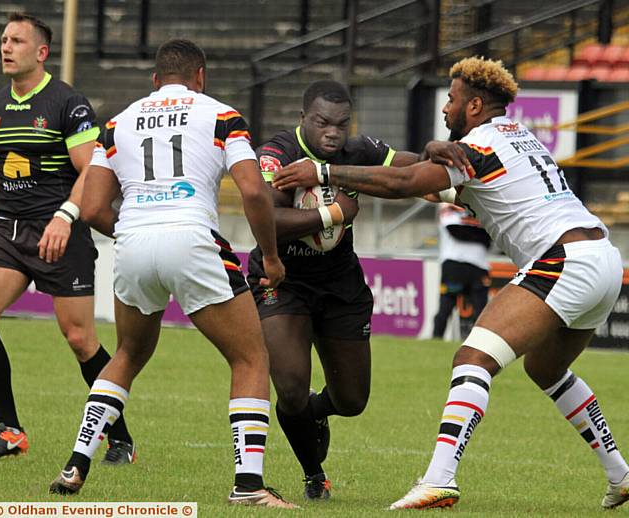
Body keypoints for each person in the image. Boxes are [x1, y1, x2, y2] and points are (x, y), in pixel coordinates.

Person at [272, 57, 629, 510]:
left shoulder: (478, 147)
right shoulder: (519, 138)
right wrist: (428, 151)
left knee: (472, 359)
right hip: (602, 257)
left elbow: (404, 183)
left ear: (475, 105)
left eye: (452, 99)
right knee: (546, 369)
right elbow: (433, 185)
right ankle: (620, 474)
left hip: (564, 260)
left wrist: (323, 172)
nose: (445, 108)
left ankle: (440, 478)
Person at [47, 38, 296, 509]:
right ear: (200, 76)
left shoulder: (118, 122)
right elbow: (254, 191)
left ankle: (78, 461)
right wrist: (271, 256)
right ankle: (248, 486)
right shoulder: (221, 115)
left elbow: (95, 206)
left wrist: (134, 231)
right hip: (192, 236)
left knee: (127, 354)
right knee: (250, 359)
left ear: (154, 80)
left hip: (135, 239)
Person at [247, 80, 465, 500]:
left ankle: (318, 413)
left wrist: (430, 153)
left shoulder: (356, 151)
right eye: (322, 122)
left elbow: (407, 169)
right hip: (282, 282)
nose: (332, 132)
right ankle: (314, 474)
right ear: (302, 119)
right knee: (290, 388)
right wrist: (334, 212)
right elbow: (267, 220)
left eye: (341, 124)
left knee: (351, 400)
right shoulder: (277, 154)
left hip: (340, 284)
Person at [0, 12, 135, 463]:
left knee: (79, 339)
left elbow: (90, 170)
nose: (6, 47)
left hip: (61, 231)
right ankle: (10, 430)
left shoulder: (67, 103)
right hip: (9, 229)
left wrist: (66, 217)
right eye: (3, 40)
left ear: (41, 52)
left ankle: (121, 438)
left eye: (16, 41)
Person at [433, 203, 491, 340]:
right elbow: (456, 231)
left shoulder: (482, 206)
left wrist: (477, 231)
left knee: (482, 313)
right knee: (445, 308)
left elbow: (490, 236)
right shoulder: (448, 206)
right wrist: (478, 231)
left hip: (479, 266)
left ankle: (482, 345)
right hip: (454, 265)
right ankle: (435, 341)